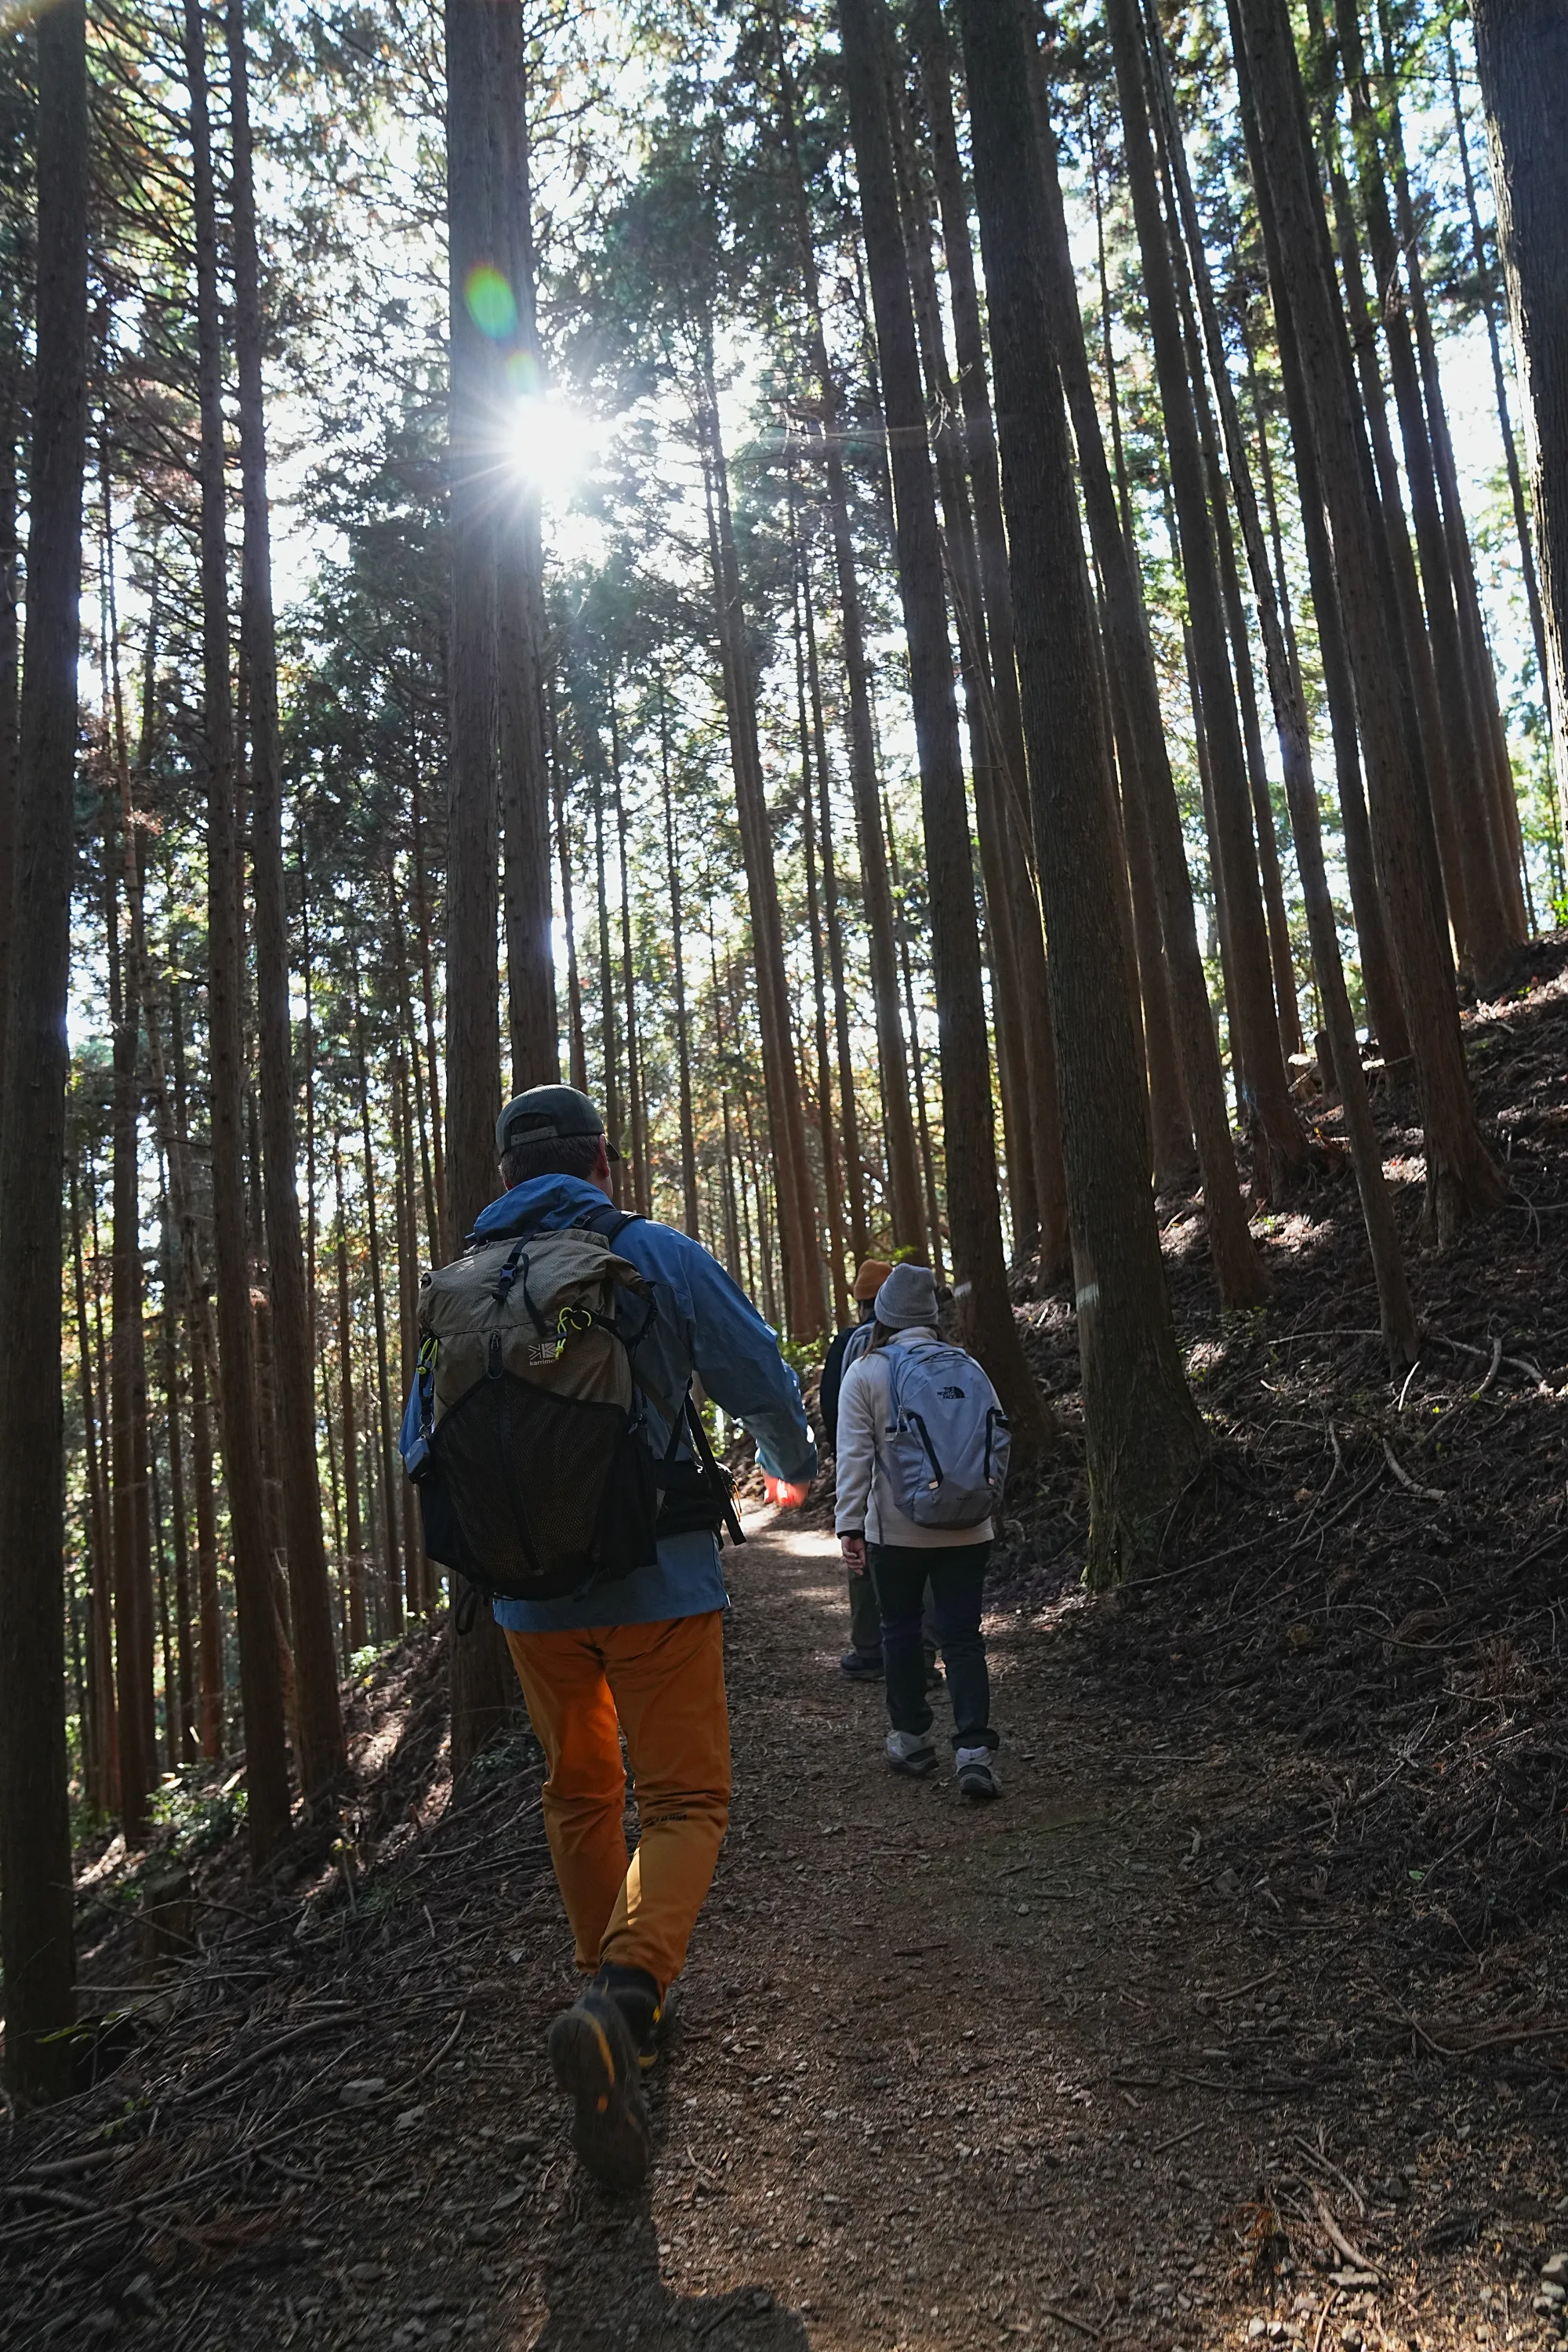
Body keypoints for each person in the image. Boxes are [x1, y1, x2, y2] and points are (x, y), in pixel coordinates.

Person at [411, 1085, 815, 2192]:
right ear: (603, 1160)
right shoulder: (654, 1254)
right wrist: (797, 1460)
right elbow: (754, 1370)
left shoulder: (459, 1285)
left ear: (504, 1176)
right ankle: (626, 1994)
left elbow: (422, 1444)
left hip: (528, 1605)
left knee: (579, 1793)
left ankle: (607, 2002)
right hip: (658, 1579)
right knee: (685, 1801)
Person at [833, 1261, 1002, 1800]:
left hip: (898, 1532)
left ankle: (911, 1739)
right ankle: (974, 1749)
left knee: (901, 1629)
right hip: (971, 1527)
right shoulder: (967, 1365)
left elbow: (853, 1459)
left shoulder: (866, 1370)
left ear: (882, 1314)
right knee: (963, 1636)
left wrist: (849, 1526)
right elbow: (994, 1441)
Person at [818, 1258, 891, 1677]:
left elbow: (833, 1406)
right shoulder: (917, 1342)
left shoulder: (847, 1343)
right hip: (917, 1473)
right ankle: (922, 1656)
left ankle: (868, 1650)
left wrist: (842, 1459)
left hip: (863, 1466)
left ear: (862, 1301)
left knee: (861, 1551)